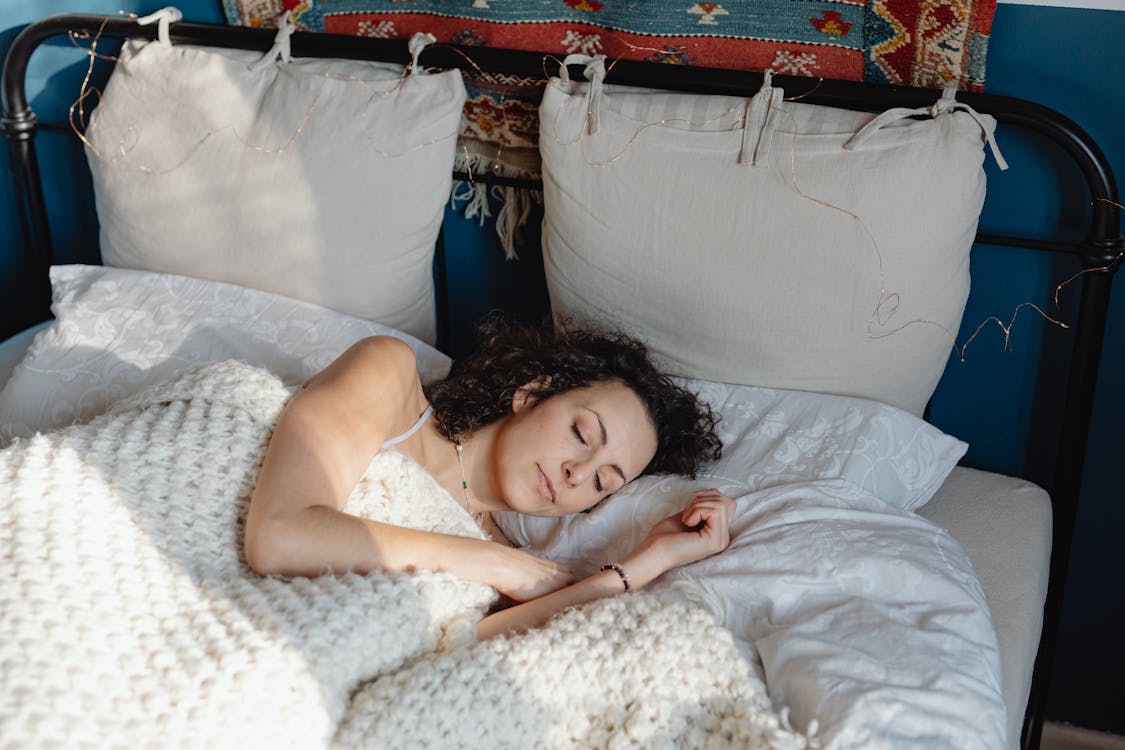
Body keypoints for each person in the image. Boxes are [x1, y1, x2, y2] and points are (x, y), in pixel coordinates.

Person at [244, 318, 732, 640]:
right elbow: (279, 535)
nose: (576, 474)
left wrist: (654, 558)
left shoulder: (505, 556)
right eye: (581, 434)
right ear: (531, 393)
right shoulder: (388, 374)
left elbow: (464, 649)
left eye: (603, 482)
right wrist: (490, 563)